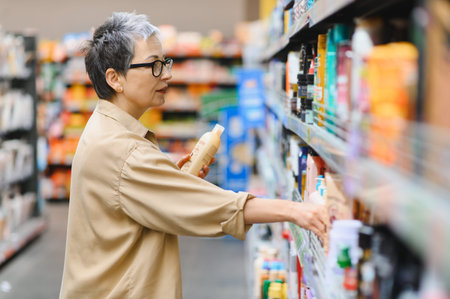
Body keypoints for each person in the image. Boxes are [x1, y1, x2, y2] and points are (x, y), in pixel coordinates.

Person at [59, 12, 327, 299]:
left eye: (165, 62)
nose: (167, 73)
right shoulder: (124, 151)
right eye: (154, 65)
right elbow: (220, 207)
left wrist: (170, 178)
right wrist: (298, 211)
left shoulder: (104, 127)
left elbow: (124, 197)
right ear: (115, 79)